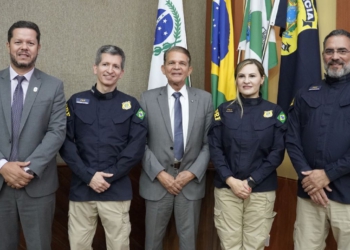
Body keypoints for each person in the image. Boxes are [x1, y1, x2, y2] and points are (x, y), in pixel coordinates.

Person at [59, 45, 147, 250]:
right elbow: (64, 143)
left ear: (122, 72)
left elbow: (136, 147)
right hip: (82, 189)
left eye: (115, 66)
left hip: (115, 190)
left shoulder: (131, 104)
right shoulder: (75, 102)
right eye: (105, 64)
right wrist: (89, 176)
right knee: (79, 246)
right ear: (95, 68)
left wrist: (108, 176)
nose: (110, 70)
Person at [0, 20, 66, 250]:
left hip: (37, 185)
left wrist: (27, 170)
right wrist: (2, 165)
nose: (24, 47)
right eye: (18, 41)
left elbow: (57, 131)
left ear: (38, 47)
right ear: (8, 45)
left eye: (30, 42)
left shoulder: (53, 86)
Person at [208, 59, 287, 250]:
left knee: (255, 245)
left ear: (262, 79)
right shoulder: (224, 111)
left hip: (260, 190)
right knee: (229, 245)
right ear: (236, 80)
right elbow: (215, 148)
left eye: (252, 75)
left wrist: (251, 181)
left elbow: (277, 152)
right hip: (228, 189)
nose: (246, 81)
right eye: (241, 76)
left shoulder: (275, 112)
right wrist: (231, 180)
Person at [139, 46, 213, 250]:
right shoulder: (147, 98)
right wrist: (160, 174)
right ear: (163, 68)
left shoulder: (205, 99)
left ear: (190, 69)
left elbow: (209, 144)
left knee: (189, 243)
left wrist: (190, 173)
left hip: (190, 185)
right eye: (171, 63)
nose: (176, 67)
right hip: (156, 184)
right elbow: (140, 143)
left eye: (182, 63)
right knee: (152, 243)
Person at [286, 29, 350, 250]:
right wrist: (310, 180)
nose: (335, 56)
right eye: (330, 51)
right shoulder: (306, 93)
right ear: (323, 55)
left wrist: (327, 175)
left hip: (347, 195)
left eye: (342, 51)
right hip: (309, 195)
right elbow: (292, 139)